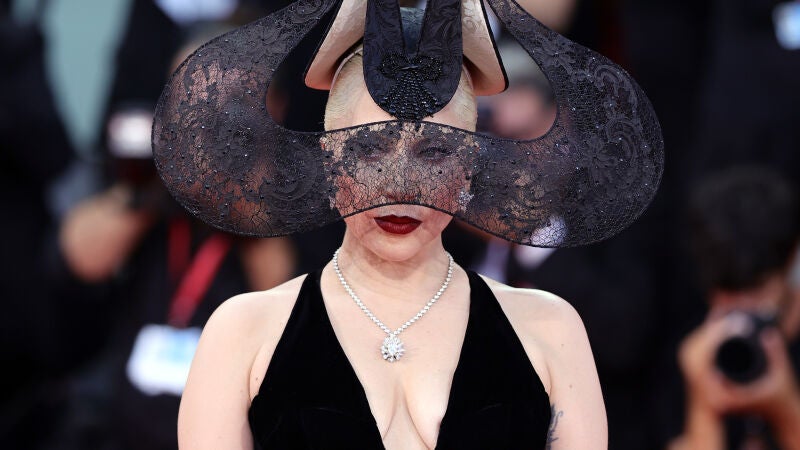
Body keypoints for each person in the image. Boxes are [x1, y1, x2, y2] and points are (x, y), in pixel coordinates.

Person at [150, 0, 665, 447]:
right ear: (329, 160)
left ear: (469, 168)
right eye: (371, 149)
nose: (401, 185)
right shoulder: (243, 333)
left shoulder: (550, 330)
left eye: (434, 152)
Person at [669, 167, 800, 450]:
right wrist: (702, 403)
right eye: (727, 292)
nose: (741, 308)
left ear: (790, 260)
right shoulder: (691, 343)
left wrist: (785, 409)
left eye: (756, 288)